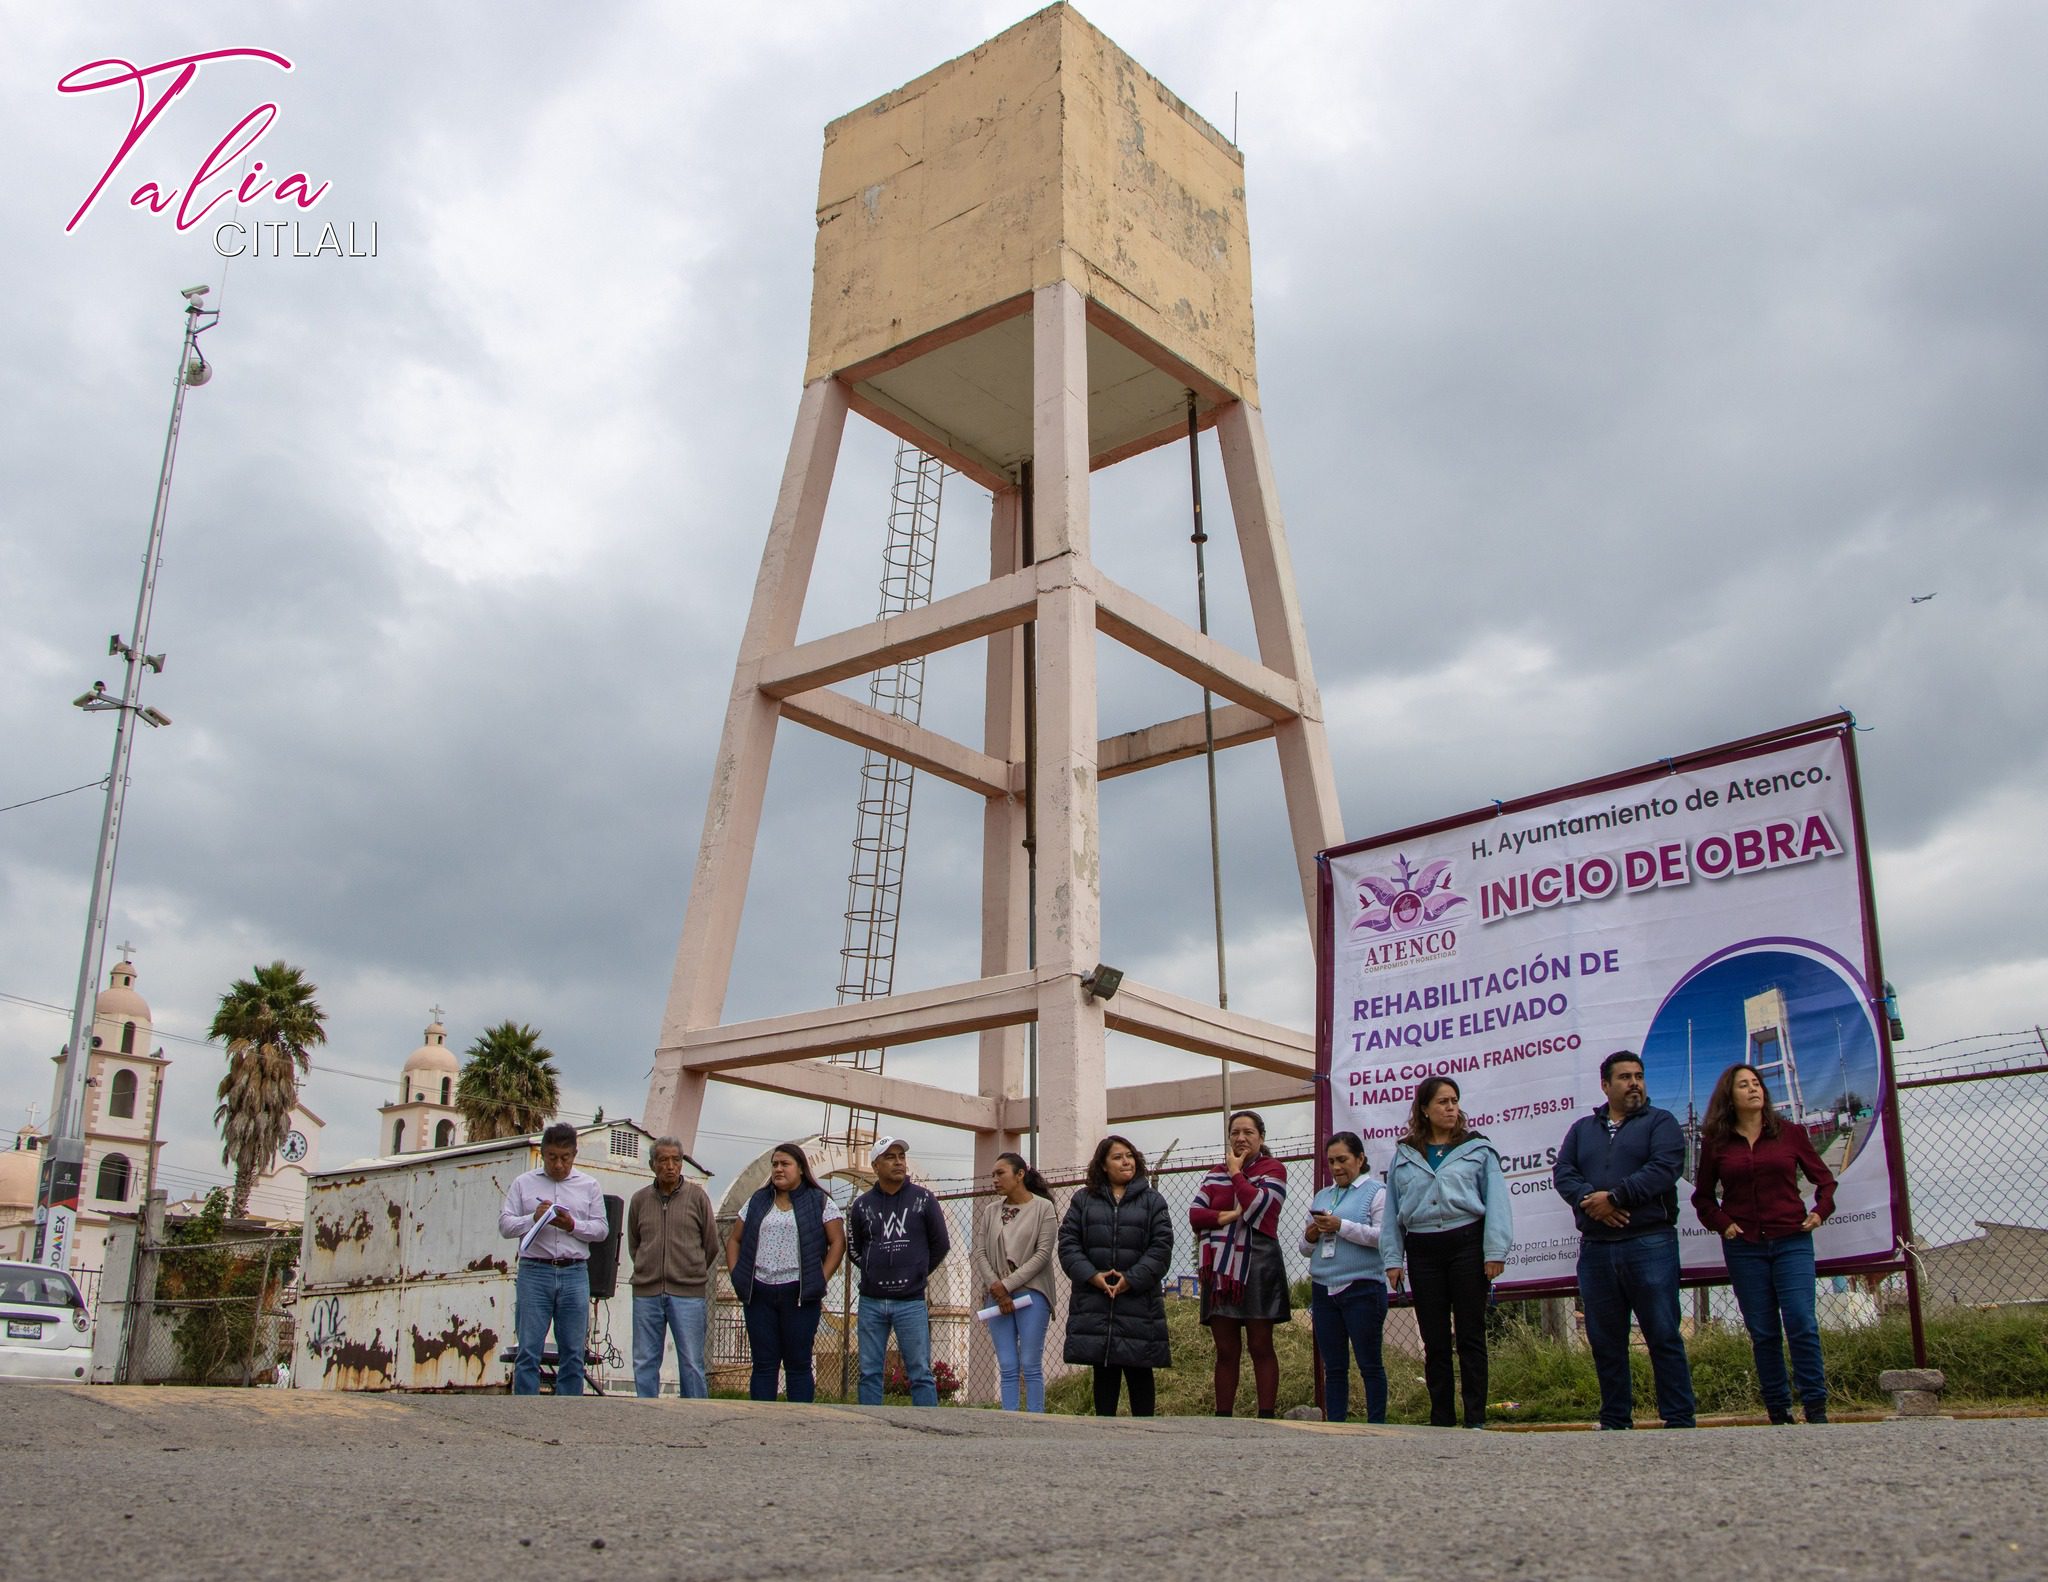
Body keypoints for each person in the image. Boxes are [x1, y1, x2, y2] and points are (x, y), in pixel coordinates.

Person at [1553, 1050, 1697, 1430]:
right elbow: (1564, 1171)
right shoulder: (1583, 1129)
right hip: (1598, 1249)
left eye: (1639, 1076)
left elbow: (1663, 1169)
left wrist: (1615, 1198)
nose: (1634, 1083)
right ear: (1605, 1085)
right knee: (1605, 1340)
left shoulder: (1660, 1122)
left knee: (1663, 1333)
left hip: (1649, 1243)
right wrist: (1590, 1200)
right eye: (1624, 1077)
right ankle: (1616, 1418)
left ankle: (1679, 1417)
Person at [1692, 1062, 1838, 1425]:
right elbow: (1703, 1199)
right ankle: (1778, 1409)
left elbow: (1826, 1183)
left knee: (1802, 1322)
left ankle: (1816, 1407)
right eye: (1744, 1085)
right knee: (1763, 1330)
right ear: (1730, 1095)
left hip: (1791, 1240)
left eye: (1756, 1083)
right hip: (1745, 1248)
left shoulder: (1790, 1134)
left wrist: (1819, 1212)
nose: (1754, 1089)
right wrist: (1724, 1225)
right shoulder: (1716, 1143)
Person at [1381, 1076, 1513, 1428]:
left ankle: (1475, 1417)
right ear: (1424, 1109)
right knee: (1434, 1337)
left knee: (1470, 1334)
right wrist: (1393, 1259)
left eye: (1454, 1101)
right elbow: (1393, 1210)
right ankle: (1441, 1416)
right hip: (1423, 1249)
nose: (1451, 1107)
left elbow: (1497, 1200)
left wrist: (1494, 1250)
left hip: (1466, 1243)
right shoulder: (1405, 1154)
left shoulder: (1477, 1149)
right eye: (1442, 1102)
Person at [1059, 1134, 1173, 1417]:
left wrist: (1131, 1279)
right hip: (1096, 1299)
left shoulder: (1152, 1201)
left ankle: (1146, 1437)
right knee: (1104, 1370)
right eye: (1117, 1157)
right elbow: (1068, 1244)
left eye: (1129, 1155)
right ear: (1103, 1165)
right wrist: (1091, 1276)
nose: (1126, 1161)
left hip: (1139, 1301)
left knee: (1140, 1371)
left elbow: (1161, 1248)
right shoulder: (1083, 1200)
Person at [725, 1141, 846, 1402]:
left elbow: (838, 1242)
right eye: (775, 1164)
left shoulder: (819, 1201)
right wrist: (738, 1276)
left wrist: (820, 1278)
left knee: (798, 1363)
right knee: (764, 1363)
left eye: (785, 1164)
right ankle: (763, 1422)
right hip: (760, 1293)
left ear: (801, 1168)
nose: (778, 1169)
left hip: (800, 1294)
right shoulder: (757, 1200)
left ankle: (799, 1425)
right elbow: (734, 1239)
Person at [498, 1121, 611, 1396]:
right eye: (552, 1158)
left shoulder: (589, 1186)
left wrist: (572, 1225)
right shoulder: (524, 1183)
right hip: (535, 1270)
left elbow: (601, 1229)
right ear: (542, 1153)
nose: (559, 1165)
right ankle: (525, 1409)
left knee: (573, 1351)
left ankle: (567, 1411)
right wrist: (533, 1218)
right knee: (528, 1348)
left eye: (565, 1158)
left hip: (574, 1272)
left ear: (574, 1154)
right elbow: (505, 1225)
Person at [1190, 1108, 1291, 1417]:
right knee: (1225, 1350)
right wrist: (1229, 1216)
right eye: (1235, 1132)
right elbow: (1196, 1215)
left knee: (1260, 1345)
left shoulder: (1274, 1169)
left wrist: (1236, 1173)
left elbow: (1259, 1204)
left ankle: (1266, 1414)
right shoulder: (1213, 1172)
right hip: (1220, 1270)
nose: (1241, 1138)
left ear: (1261, 1137)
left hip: (1259, 1264)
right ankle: (1223, 1417)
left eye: (1248, 1132)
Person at [848, 1135, 952, 1406]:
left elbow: (940, 1244)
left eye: (901, 1156)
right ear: (875, 1166)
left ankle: (929, 1430)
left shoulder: (924, 1199)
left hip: (911, 1301)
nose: (898, 1162)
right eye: (889, 1157)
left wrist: (917, 1272)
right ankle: (872, 1428)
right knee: (869, 1372)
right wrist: (873, 1271)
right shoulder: (862, 1205)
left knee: (920, 1372)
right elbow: (855, 1248)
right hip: (871, 1300)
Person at [1302, 1129, 1389, 1424]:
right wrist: (1313, 1232)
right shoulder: (1323, 1195)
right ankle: (1336, 1424)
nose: (1337, 1167)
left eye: (1343, 1160)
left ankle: (1376, 1423)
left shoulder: (1376, 1193)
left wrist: (1341, 1225)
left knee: (1369, 1363)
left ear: (1360, 1158)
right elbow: (1304, 1248)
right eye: (1331, 1162)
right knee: (1334, 1367)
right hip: (1324, 1288)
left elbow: (1383, 1237)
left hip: (1362, 1287)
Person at [627, 1135, 720, 1399]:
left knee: (691, 1362)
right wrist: (649, 1269)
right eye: (663, 1160)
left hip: (688, 1293)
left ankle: (695, 1417)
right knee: (644, 1361)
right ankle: (648, 1413)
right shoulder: (639, 1200)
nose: (670, 1166)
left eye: (676, 1160)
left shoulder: (698, 1197)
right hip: (647, 1293)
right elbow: (635, 1244)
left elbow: (711, 1244)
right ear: (652, 1164)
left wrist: (689, 1271)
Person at [970, 1151, 1059, 1412]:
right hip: (995, 1294)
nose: (995, 1179)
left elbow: (1042, 1254)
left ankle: (1035, 1420)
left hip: (1032, 1293)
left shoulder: (1043, 1208)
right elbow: (981, 1251)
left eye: (1001, 1173)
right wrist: (995, 1287)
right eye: (993, 1174)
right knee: (1007, 1365)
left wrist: (1007, 1285)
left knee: (1030, 1364)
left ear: (1020, 1175)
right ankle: (1009, 1420)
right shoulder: (990, 1211)